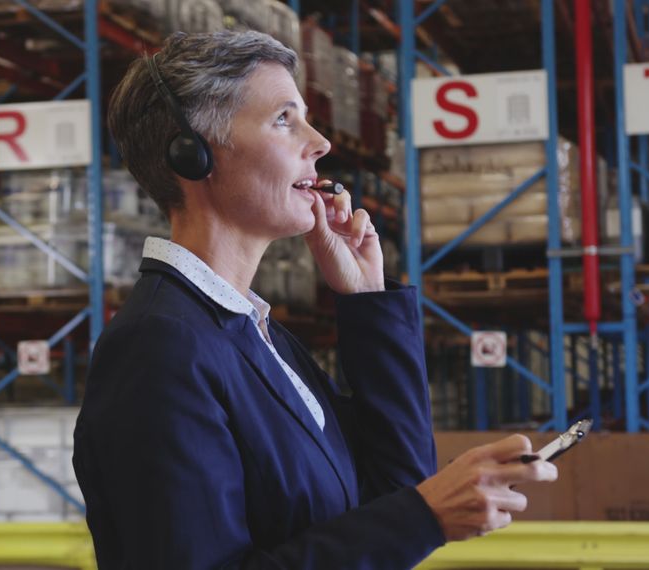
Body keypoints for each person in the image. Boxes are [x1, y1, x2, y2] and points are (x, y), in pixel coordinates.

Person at [72, 30, 558, 569]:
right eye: (284, 118)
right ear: (194, 155)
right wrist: (425, 515)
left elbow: (394, 488)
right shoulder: (158, 347)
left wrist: (367, 300)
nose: (320, 141)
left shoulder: (256, 335)